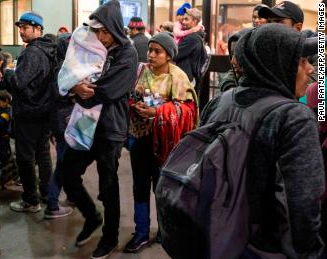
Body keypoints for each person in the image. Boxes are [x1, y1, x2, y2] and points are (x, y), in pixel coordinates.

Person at [202, 24, 323, 258]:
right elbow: (303, 205)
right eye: (302, 61)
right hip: (266, 248)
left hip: (216, 235)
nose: (310, 69)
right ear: (278, 63)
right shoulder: (294, 118)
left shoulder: (221, 101)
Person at [60, 1, 138, 258]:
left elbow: (108, 89)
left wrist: (78, 91)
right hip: (85, 123)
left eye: (104, 32)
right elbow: (69, 72)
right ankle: (92, 216)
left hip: (109, 129)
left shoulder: (127, 53)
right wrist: (73, 86)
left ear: (115, 29)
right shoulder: (92, 46)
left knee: (108, 185)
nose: (100, 37)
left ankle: (110, 237)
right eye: (97, 31)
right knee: (67, 173)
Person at [124, 32, 198, 253]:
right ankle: (141, 232)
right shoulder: (141, 71)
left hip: (166, 145)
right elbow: (130, 95)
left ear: (169, 55)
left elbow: (189, 111)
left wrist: (158, 112)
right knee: (139, 187)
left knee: (162, 188)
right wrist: (135, 106)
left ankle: (165, 231)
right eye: (150, 50)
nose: (151, 55)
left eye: (158, 51)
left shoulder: (178, 77)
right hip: (139, 138)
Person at [9, 11, 56, 212]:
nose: (21, 32)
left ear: (38, 29)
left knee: (25, 157)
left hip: (28, 112)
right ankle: (48, 194)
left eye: (25, 28)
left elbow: (19, 82)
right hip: (45, 111)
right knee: (43, 154)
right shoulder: (49, 49)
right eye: (20, 28)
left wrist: (6, 73)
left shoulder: (32, 52)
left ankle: (31, 200)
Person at [45, 32, 75, 219]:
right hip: (64, 120)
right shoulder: (63, 69)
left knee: (69, 162)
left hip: (60, 120)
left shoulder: (59, 65)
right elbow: (61, 94)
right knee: (63, 163)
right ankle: (53, 204)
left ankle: (71, 195)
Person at [175, 8, 207, 85]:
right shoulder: (192, 36)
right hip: (185, 77)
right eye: (183, 19)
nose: (183, 22)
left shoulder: (192, 38)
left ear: (194, 21)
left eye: (186, 19)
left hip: (185, 80)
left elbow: (175, 54)